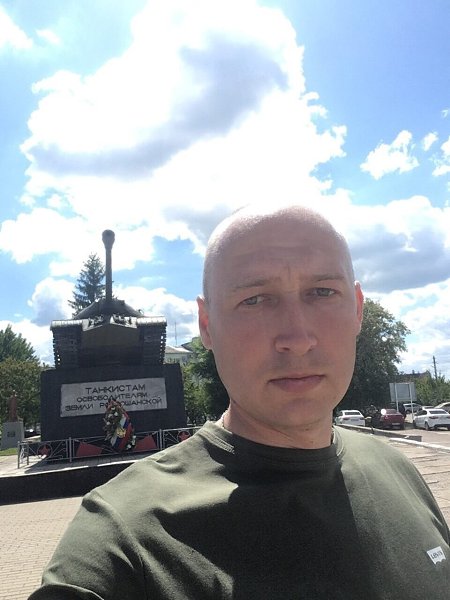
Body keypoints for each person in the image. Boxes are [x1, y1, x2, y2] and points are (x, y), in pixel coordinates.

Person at [29, 204, 450, 599]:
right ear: (207, 325)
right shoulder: (127, 541)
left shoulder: (398, 472)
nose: (297, 339)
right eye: (255, 299)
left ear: (357, 309)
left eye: (322, 292)